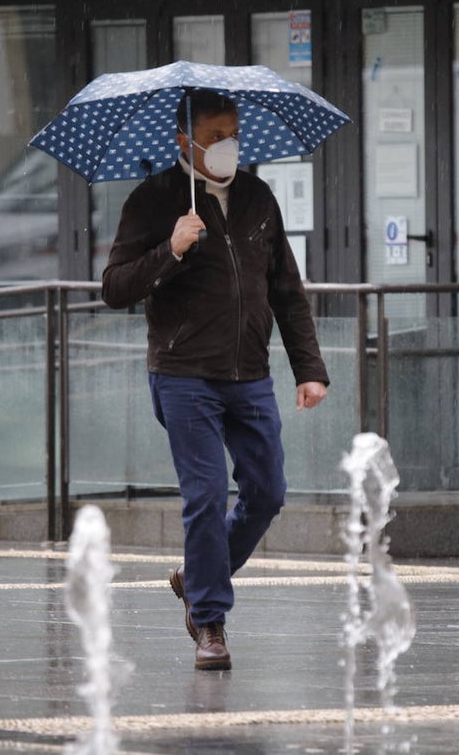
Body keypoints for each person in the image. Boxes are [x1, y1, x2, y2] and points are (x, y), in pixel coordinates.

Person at [101, 88, 329, 671]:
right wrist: (171, 250)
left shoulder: (257, 197)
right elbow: (115, 287)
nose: (228, 146)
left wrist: (309, 369)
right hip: (183, 375)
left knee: (267, 492)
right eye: (215, 136)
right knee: (204, 496)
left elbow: (286, 290)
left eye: (234, 134)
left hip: (249, 373)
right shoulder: (153, 202)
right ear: (185, 142)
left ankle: (197, 575)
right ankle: (210, 621)